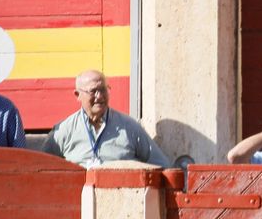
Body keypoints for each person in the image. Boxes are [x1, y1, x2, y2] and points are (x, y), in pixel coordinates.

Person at [43, 68, 171, 166]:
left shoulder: (129, 127)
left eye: (103, 90)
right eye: (93, 91)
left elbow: (162, 164)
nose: (99, 96)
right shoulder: (63, 131)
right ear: (78, 95)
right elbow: (41, 167)